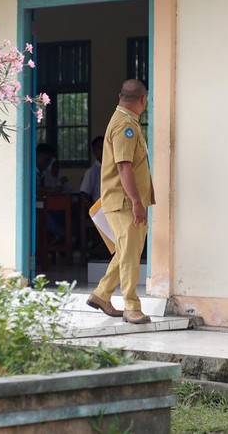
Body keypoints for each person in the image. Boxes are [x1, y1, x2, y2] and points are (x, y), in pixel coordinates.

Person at [86, 79, 154, 324]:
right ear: (143, 100)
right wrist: (136, 202)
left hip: (123, 200)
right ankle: (131, 306)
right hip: (125, 202)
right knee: (129, 255)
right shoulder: (125, 125)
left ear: (119, 96)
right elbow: (124, 166)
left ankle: (101, 294)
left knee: (127, 251)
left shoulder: (124, 121)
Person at [79, 136, 104, 208]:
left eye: (104, 147)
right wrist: (94, 212)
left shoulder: (114, 168)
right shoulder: (92, 171)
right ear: (94, 151)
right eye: (99, 147)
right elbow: (83, 194)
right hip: (100, 207)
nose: (102, 150)